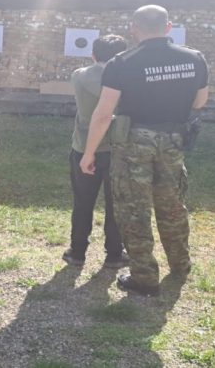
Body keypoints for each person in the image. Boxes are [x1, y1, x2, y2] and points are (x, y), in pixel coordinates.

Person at [80, 5, 209, 296]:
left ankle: (145, 277)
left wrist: (89, 153)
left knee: (133, 209)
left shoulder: (122, 63)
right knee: (172, 205)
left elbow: (104, 113)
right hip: (173, 140)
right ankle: (180, 265)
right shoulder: (194, 58)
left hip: (133, 143)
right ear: (168, 27)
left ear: (134, 29)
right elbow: (200, 102)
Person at [63, 34, 130, 269]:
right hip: (117, 147)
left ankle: (77, 251)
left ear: (93, 55)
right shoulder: (128, 80)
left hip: (84, 146)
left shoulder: (79, 75)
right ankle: (114, 253)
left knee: (83, 202)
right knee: (116, 204)